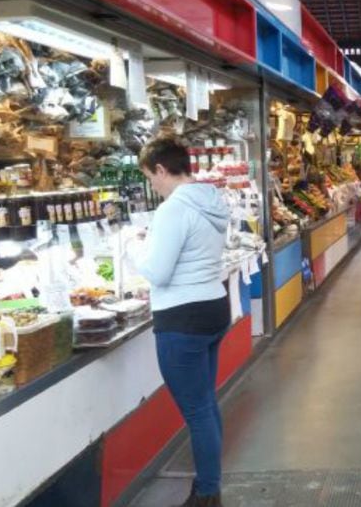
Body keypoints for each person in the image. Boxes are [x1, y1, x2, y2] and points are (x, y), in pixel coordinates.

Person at [133, 137, 231, 507]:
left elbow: (157, 272)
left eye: (150, 177)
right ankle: (210, 484)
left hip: (182, 316)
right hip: (213, 306)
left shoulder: (173, 209)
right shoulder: (210, 199)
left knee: (197, 410)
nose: (152, 186)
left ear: (161, 169)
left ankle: (208, 492)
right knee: (205, 403)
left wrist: (132, 247)